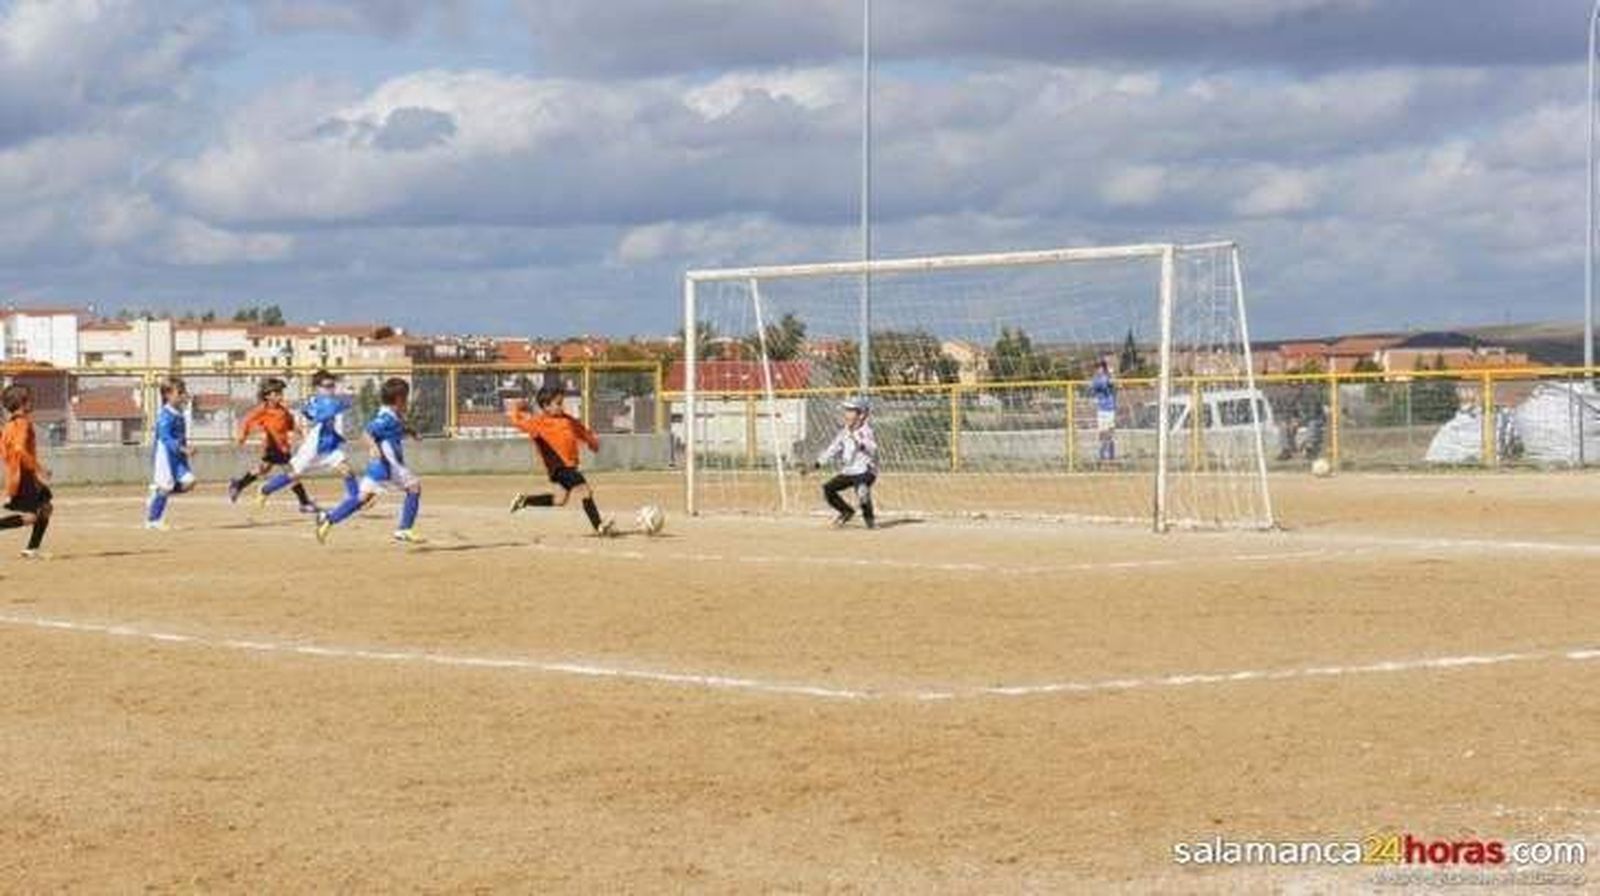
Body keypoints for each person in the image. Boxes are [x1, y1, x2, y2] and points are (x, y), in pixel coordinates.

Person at [316, 378, 422, 544]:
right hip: (389, 465)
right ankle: (404, 529)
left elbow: (398, 427)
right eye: (406, 397)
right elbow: (366, 432)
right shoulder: (386, 418)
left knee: (362, 498)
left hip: (379, 468)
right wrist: (373, 447)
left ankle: (328, 519)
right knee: (414, 488)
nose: (407, 401)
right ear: (399, 399)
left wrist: (411, 432)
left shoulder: (392, 415)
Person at [506, 384, 614, 536]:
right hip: (559, 467)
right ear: (545, 406)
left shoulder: (566, 419)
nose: (561, 407)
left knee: (560, 500)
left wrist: (591, 442)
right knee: (585, 490)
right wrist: (517, 408)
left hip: (570, 466)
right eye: (558, 403)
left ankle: (524, 501)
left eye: (562, 402)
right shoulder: (538, 423)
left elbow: (581, 430)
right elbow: (517, 421)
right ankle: (599, 526)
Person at [257, 369, 358, 509]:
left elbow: (332, 407)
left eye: (332, 385)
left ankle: (355, 499)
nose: (331, 389)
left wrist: (344, 402)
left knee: (347, 470)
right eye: (327, 386)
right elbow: (314, 413)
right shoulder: (321, 402)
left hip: (328, 446)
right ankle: (265, 489)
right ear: (317, 388)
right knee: (293, 475)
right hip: (313, 446)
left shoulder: (327, 401)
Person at [229, 377, 317, 512]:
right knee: (292, 474)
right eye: (276, 393)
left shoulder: (283, 410)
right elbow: (247, 422)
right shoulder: (262, 410)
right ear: (267, 396)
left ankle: (238, 484)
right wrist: (242, 437)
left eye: (280, 393)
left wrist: (298, 431)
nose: (280, 396)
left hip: (283, 446)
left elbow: (290, 423)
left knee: (263, 469)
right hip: (272, 446)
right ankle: (303, 502)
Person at [0, 384, 53, 558]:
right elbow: (19, 449)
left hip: (20, 474)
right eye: (29, 398)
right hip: (23, 475)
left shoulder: (10, 425)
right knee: (32, 516)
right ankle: (32, 548)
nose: (32, 401)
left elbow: (5, 451)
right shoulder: (23, 423)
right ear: (23, 402)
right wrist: (40, 469)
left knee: (45, 507)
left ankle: (32, 549)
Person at [813, 396, 877, 529]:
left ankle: (869, 519)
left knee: (862, 491)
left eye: (851, 411)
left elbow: (872, 447)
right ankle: (846, 512)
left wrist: (860, 441)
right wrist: (818, 463)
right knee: (828, 489)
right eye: (846, 411)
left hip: (865, 471)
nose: (846, 414)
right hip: (849, 471)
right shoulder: (844, 432)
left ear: (861, 415)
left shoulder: (866, 431)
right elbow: (833, 448)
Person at [146, 377, 195, 530]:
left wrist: (184, 450)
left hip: (177, 457)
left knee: (189, 482)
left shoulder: (179, 412)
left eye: (183, 392)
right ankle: (153, 520)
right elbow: (165, 438)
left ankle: (157, 494)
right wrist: (183, 449)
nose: (182, 395)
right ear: (167, 395)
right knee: (166, 486)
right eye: (179, 392)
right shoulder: (165, 415)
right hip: (165, 456)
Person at [1090, 360, 1117, 463]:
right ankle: (1102, 457)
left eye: (1101, 368)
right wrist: (1110, 376)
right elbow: (1102, 384)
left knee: (1110, 435)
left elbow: (1113, 384)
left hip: (1110, 410)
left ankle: (1111, 458)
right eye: (1097, 368)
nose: (1099, 370)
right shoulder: (1096, 380)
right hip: (1102, 411)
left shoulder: (1107, 377)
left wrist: (1111, 375)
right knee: (1103, 435)